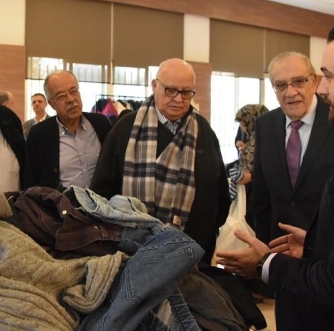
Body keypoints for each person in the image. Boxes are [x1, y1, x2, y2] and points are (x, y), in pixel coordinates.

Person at [216, 18, 334, 330]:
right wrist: (316, 242)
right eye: (280, 85)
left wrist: (266, 263)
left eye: (328, 76)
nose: (323, 88)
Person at [90, 58, 230, 264]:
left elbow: (220, 193)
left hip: (191, 254)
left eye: (186, 92)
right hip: (130, 253)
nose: (178, 99)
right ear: (154, 86)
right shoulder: (126, 128)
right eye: (170, 90)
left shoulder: (203, 131)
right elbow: (100, 192)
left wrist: (209, 233)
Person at [252, 52, 334, 245]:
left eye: (298, 82)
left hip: (326, 247)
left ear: (314, 82)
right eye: (281, 85)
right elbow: (261, 195)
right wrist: (263, 250)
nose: (290, 92)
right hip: (277, 245)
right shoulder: (265, 125)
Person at [24, 70, 112, 190]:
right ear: (51, 103)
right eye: (61, 96)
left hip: (102, 201)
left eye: (73, 91)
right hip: (62, 202)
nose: (70, 99)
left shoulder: (101, 124)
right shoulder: (39, 135)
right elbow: (31, 184)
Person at [228, 104, 269, 226]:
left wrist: (251, 177)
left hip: (261, 196)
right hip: (249, 193)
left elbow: (273, 171)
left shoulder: (268, 141)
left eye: (244, 124)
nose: (242, 127)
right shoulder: (253, 139)